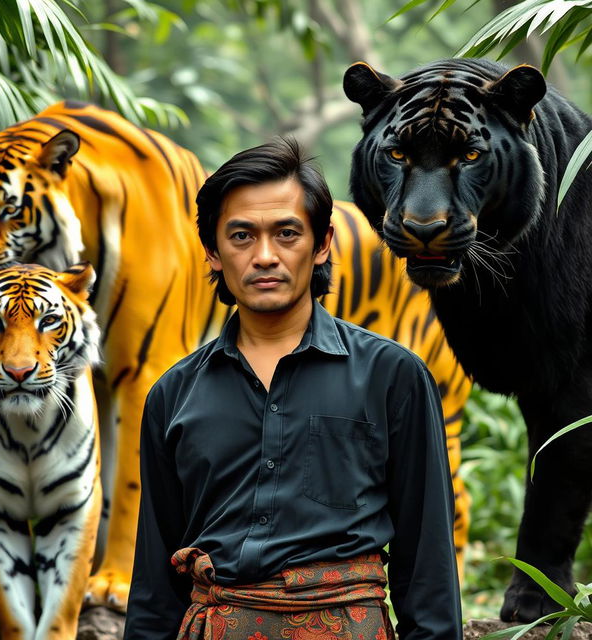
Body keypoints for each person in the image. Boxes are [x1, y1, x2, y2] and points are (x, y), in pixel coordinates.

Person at [123, 138, 462, 639]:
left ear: (322, 243)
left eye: (286, 233)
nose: (264, 257)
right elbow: (156, 582)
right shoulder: (173, 396)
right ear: (213, 252)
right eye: (241, 236)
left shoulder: (393, 377)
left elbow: (427, 564)